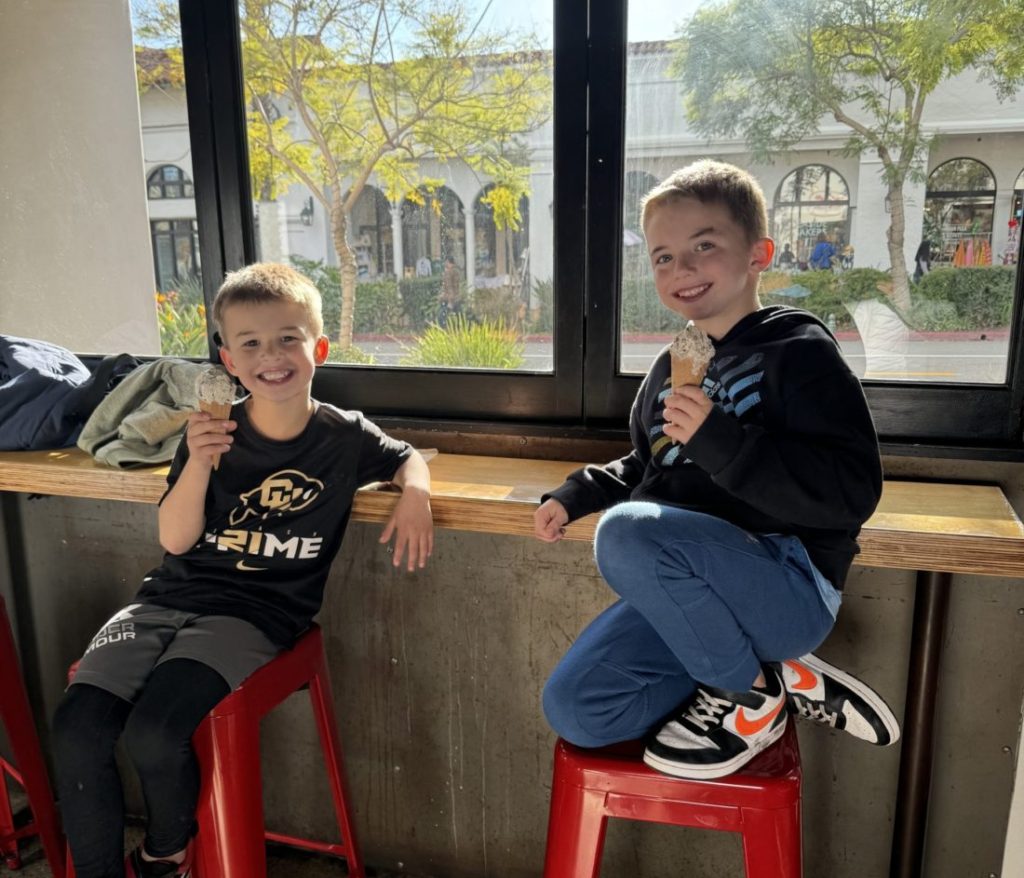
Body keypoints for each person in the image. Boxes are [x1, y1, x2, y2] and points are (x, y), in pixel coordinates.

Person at [52, 263, 434, 878]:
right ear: (229, 360)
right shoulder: (210, 429)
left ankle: (163, 856)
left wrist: (415, 495)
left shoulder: (342, 435)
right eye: (250, 343)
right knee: (78, 727)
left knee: (155, 730)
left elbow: (406, 457)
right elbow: (175, 540)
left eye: (288, 338)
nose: (272, 356)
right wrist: (200, 461)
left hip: (257, 611)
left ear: (320, 348)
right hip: (166, 597)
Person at [534, 160, 898, 780]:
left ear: (759, 253)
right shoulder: (672, 366)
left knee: (625, 533)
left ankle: (749, 700)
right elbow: (650, 465)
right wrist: (576, 494)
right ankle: (765, 674)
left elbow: (852, 492)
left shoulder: (798, 352)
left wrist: (721, 441)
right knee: (576, 708)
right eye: (663, 257)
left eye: (704, 245)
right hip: (693, 598)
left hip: (787, 582)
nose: (683, 269)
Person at [438, 257, 463, 328]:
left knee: (443, 314)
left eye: (446, 262)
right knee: (458, 313)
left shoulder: (449, 272)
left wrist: (450, 300)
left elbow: (450, 287)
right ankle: (460, 326)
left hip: (449, 297)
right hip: (455, 296)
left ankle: (444, 327)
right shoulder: (455, 271)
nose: (445, 264)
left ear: (449, 263)